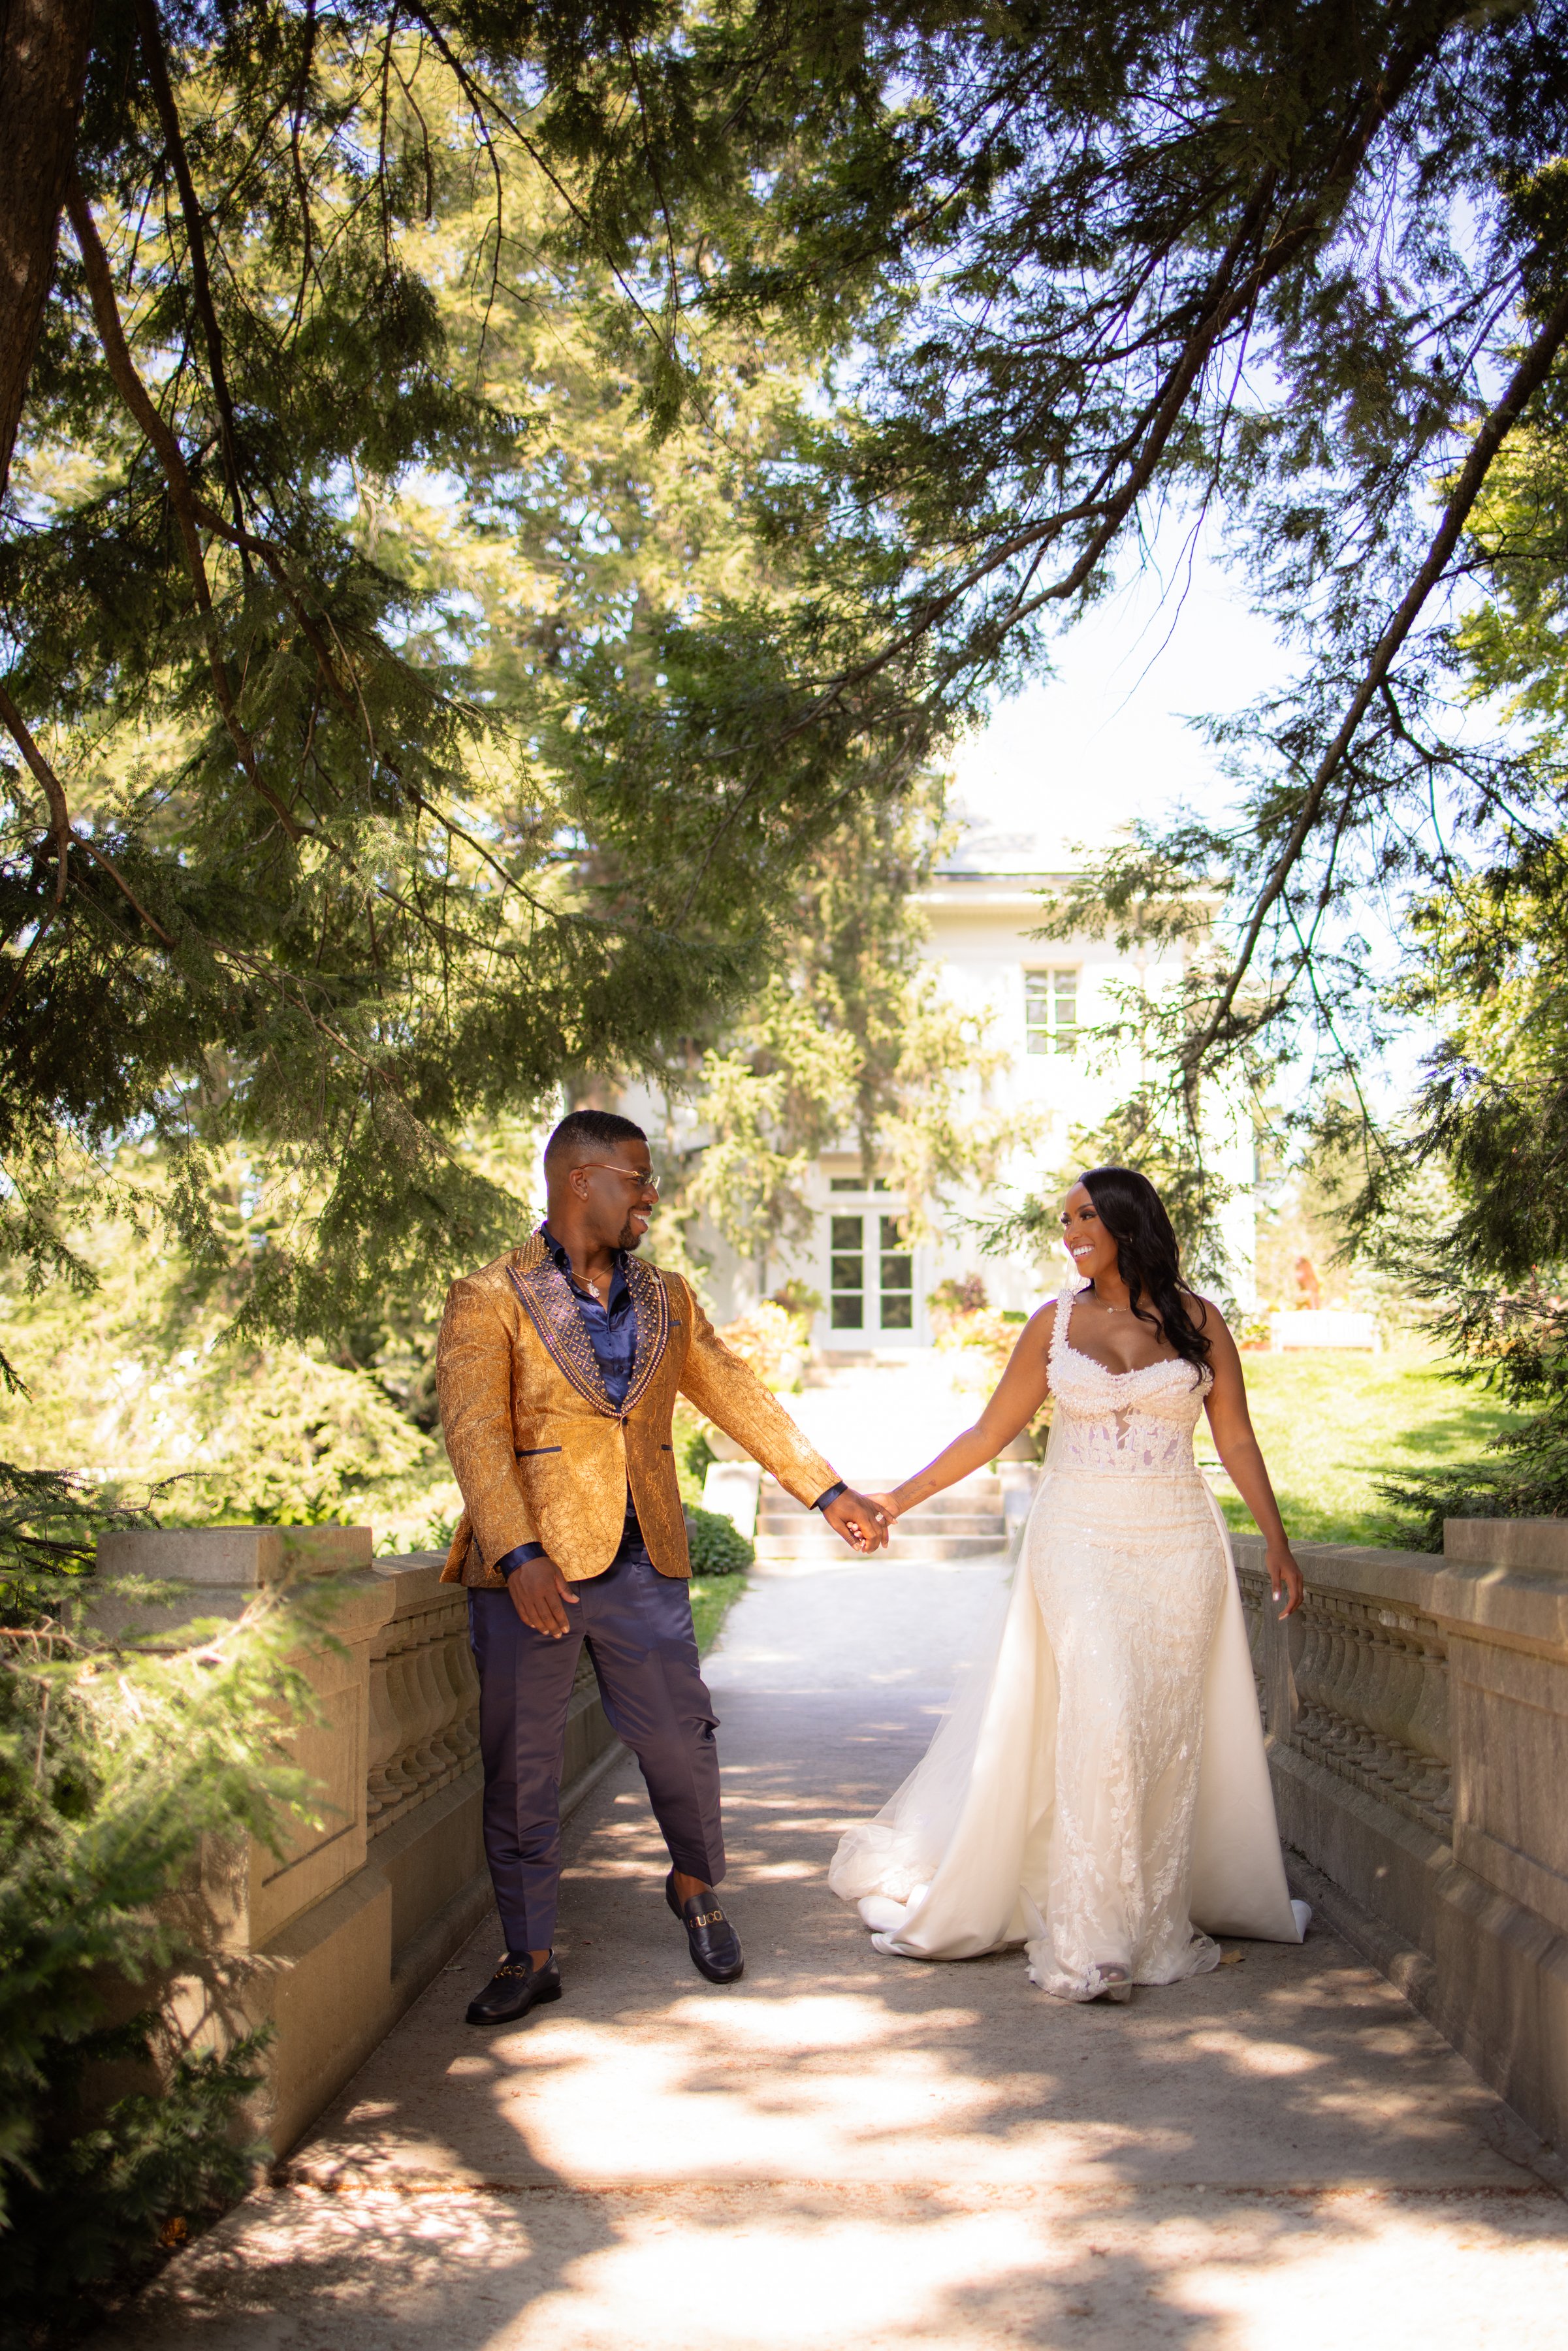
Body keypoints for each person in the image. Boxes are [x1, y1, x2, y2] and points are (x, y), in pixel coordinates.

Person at [438, 1108, 888, 2027]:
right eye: (636, 1178)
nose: (651, 1195)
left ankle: (692, 1887)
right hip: (534, 1576)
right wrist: (517, 1554)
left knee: (683, 1742)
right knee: (520, 1769)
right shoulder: (487, 1296)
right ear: (581, 1181)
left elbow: (736, 1395)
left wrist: (826, 1490)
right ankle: (527, 1953)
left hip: (647, 1560)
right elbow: (476, 1437)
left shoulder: (667, 1295)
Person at [829, 1165, 1311, 2003]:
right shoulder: (1053, 1324)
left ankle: (1149, 1920)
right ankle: (1092, 1944)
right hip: (1078, 1537)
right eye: (1064, 1221)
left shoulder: (1200, 1321)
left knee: (1161, 1730)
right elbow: (991, 1429)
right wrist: (897, 1500)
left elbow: (1234, 1439)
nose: (1071, 1232)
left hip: (1178, 1541)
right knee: (1105, 1710)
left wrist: (1275, 1541)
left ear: (1129, 1220)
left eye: (1086, 1216)